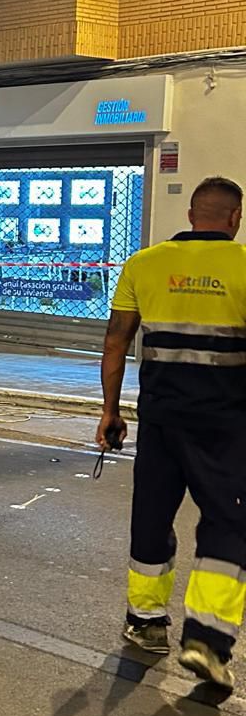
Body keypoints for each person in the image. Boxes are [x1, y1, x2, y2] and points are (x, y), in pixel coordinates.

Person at [99, 176, 246, 689]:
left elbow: (115, 342)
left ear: (190, 215)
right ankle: (207, 640)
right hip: (227, 425)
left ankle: (145, 623)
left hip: (160, 419)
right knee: (229, 523)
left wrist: (110, 412)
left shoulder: (143, 264)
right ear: (235, 218)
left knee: (152, 514)